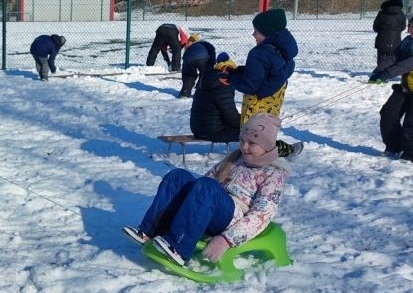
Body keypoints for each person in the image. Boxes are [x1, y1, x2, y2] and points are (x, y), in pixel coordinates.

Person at [122, 113, 290, 266]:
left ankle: (179, 246)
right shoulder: (236, 158)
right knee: (177, 176)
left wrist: (226, 240)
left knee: (207, 187)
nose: (244, 147)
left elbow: (262, 215)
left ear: (267, 146)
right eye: (242, 140)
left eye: (252, 143)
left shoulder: (274, 174)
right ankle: (150, 231)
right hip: (211, 207)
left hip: (232, 219)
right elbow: (205, 184)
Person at [219, 8, 302, 158]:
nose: (253, 35)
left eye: (256, 31)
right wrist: (238, 71)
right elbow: (267, 74)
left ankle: (251, 166)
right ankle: (271, 157)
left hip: (256, 105)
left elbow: (250, 85)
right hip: (272, 105)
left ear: (267, 33)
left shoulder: (258, 53)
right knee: (265, 135)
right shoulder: (283, 52)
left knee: (250, 138)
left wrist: (231, 78)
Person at [368, 2, 413, 163]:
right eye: (412, 26)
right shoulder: (407, 41)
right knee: (388, 114)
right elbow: (394, 57)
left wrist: (388, 74)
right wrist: (378, 72)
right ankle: (394, 146)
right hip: (406, 87)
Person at [190, 52, 241, 143]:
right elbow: (231, 118)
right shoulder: (223, 87)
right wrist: (248, 121)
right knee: (253, 132)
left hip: (197, 129)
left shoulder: (206, 80)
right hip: (214, 132)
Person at [372, 0, 407, 73]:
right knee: (392, 57)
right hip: (395, 40)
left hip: (382, 39)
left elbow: (375, 27)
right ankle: (388, 72)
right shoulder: (401, 14)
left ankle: (379, 72)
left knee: (381, 56)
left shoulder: (381, 14)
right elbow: (403, 27)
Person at [178, 32, 210, 98]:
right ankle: (201, 92)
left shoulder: (190, 42)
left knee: (188, 75)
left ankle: (185, 92)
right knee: (205, 73)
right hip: (203, 57)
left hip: (189, 58)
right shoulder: (204, 44)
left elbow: (186, 50)